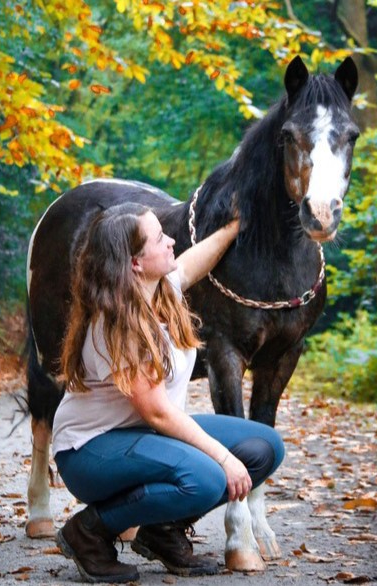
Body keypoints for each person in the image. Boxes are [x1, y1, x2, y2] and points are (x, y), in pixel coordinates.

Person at [52, 202, 285, 583]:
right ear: (135, 264)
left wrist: (234, 228)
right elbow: (159, 413)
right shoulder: (116, 325)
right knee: (208, 476)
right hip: (90, 452)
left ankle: (161, 530)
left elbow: (193, 262)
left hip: (141, 435)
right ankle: (90, 531)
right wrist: (224, 458)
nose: (171, 241)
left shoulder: (158, 291)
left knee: (265, 447)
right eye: (160, 238)